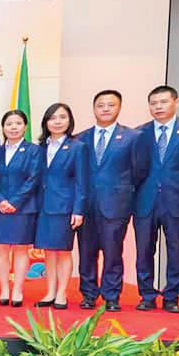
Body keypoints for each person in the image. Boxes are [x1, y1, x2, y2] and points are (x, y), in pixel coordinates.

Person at [134, 85, 179, 314]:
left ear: (176, 102)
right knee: (144, 250)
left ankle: (172, 296)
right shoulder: (139, 133)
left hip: (176, 200)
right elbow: (135, 167)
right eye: (154, 103)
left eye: (164, 102)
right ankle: (147, 295)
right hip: (144, 200)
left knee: (176, 249)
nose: (158, 107)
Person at [76, 90, 149, 312]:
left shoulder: (133, 137)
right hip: (86, 205)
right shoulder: (80, 138)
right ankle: (88, 294)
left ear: (119, 107)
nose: (105, 109)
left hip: (116, 205)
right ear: (94, 108)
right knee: (86, 252)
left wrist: (121, 191)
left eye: (111, 105)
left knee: (113, 252)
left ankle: (111, 295)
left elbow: (140, 170)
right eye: (101, 105)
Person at [34, 103, 89, 310]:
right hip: (43, 206)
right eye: (52, 118)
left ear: (69, 121)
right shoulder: (40, 147)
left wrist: (78, 209)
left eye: (62, 117)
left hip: (65, 207)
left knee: (63, 251)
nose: (57, 122)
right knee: (48, 251)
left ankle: (61, 293)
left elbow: (82, 181)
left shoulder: (77, 147)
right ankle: (50, 292)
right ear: (46, 122)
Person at [0, 109, 42, 307]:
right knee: (1, 249)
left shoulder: (34, 150)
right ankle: (4, 289)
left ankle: (18, 289)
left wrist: (15, 202)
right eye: (9, 124)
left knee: (21, 249)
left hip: (23, 208)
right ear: (3, 127)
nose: (13, 127)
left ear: (25, 126)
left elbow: (34, 178)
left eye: (18, 123)